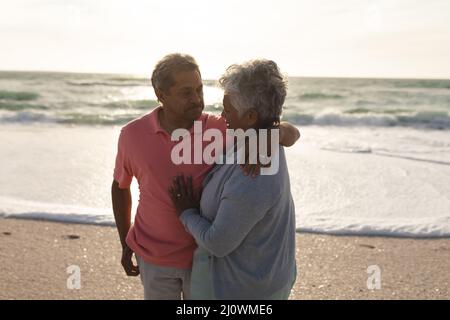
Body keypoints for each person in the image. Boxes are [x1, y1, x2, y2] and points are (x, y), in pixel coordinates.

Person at [112, 53, 300, 300]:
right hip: (153, 256)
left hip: (201, 259)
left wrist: (276, 133)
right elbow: (119, 186)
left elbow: (283, 129)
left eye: (200, 89)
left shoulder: (221, 129)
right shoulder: (132, 135)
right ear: (161, 95)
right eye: (186, 92)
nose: (197, 99)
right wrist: (125, 241)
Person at [169, 59, 297, 300]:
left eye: (227, 110)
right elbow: (290, 131)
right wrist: (280, 131)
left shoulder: (254, 171)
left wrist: (186, 212)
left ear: (250, 116)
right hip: (261, 277)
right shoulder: (257, 138)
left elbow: (218, 243)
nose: (222, 114)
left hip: (244, 291)